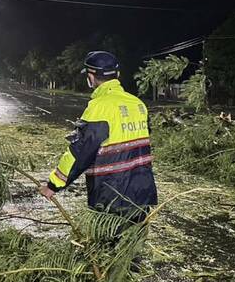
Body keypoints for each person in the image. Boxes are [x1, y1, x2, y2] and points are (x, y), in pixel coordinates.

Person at [39, 51, 158, 223]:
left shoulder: (99, 107)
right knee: (132, 244)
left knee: (107, 245)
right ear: (117, 75)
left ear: (91, 77)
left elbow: (80, 153)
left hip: (111, 196)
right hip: (142, 193)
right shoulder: (138, 104)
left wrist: (53, 185)